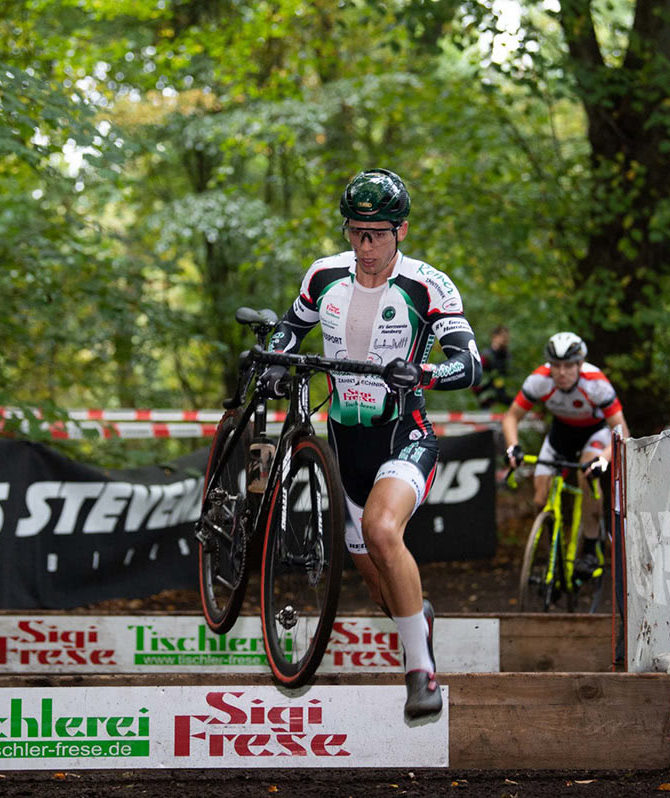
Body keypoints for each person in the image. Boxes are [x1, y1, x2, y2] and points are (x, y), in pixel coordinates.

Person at [261, 168, 481, 719]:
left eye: (378, 233)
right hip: (346, 452)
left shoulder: (428, 284)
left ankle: (421, 673)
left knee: (385, 530)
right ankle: (416, 618)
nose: (365, 245)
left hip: (405, 438)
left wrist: (424, 372)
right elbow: (292, 327)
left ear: (401, 230)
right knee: (381, 590)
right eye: (356, 231)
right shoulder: (324, 275)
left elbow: (470, 364)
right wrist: (274, 356)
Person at [500, 332, 630, 574]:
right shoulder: (539, 380)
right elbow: (511, 417)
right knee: (540, 499)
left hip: (595, 433)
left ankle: (591, 548)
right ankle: (554, 550)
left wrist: (604, 459)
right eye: (556, 365)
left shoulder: (596, 384)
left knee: (587, 474)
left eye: (568, 365)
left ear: (580, 364)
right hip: (561, 433)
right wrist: (513, 447)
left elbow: (622, 432)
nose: (561, 372)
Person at [472, 325, 512, 409]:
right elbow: (476, 375)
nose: (505, 340)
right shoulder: (486, 355)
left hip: (504, 398)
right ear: (494, 337)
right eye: (503, 336)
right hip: (488, 399)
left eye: (506, 337)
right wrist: (480, 395)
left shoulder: (506, 356)